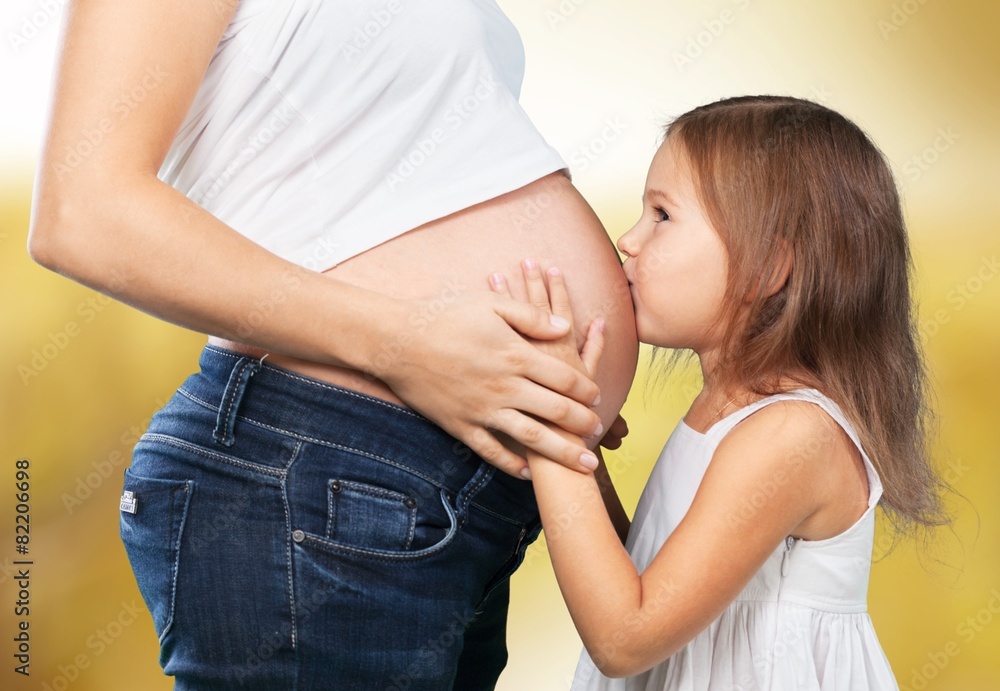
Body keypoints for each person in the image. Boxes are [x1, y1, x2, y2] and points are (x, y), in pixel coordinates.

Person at [27, 0, 638, 688]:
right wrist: (403, 346)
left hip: (451, 490)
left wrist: (546, 392)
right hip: (321, 466)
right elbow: (81, 212)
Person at [490, 96, 947, 690]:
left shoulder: (792, 435)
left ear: (766, 269)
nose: (628, 240)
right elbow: (660, 584)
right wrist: (582, 447)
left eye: (662, 216)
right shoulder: (728, 411)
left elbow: (625, 637)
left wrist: (547, 429)